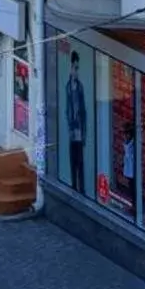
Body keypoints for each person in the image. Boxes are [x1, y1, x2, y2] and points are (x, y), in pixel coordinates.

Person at [63, 54, 86, 191]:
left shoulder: (80, 87)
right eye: (75, 68)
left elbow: (83, 111)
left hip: (78, 129)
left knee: (80, 161)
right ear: (71, 68)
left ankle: (81, 188)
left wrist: (83, 133)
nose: (77, 72)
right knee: (73, 160)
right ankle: (73, 186)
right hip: (71, 129)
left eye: (78, 69)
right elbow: (67, 108)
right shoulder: (67, 87)